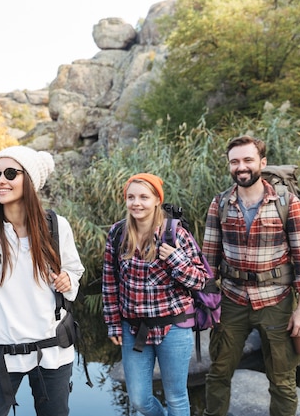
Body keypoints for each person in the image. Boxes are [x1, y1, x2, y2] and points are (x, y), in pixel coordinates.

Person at [0, 146, 85, 416]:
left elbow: (75, 270)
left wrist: (67, 280)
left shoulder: (56, 226)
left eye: (10, 173)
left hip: (51, 349)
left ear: (28, 180)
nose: (0, 181)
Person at [202, 135, 300, 416]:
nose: (241, 167)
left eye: (248, 160)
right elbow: (208, 262)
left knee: (282, 380)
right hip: (231, 300)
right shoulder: (220, 204)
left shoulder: (287, 202)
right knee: (217, 374)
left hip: (276, 302)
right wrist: (204, 304)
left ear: (261, 163)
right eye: (235, 161)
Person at [102, 173, 209, 416]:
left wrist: (174, 258)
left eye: (143, 197)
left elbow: (200, 280)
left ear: (157, 200)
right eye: (131, 197)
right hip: (133, 329)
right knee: (139, 399)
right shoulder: (118, 233)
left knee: (176, 398)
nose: (136, 203)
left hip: (174, 328)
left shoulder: (176, 234)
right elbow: (110, 282)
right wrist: (113, 324)